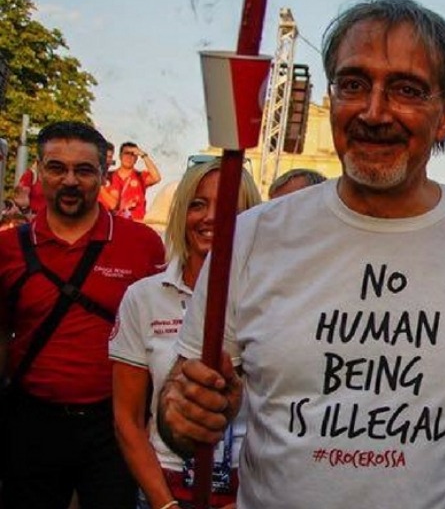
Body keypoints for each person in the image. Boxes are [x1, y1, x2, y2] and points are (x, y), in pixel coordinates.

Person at [158, 0, 445, 509]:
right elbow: (180, 405)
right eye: (353, 84)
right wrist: (185, 412)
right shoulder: (251, 238)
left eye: (406, 89)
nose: (374, 112)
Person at [0, 121, 165, 509]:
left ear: (103, 175)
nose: (70, 180)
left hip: (114, 427)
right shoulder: (7, 248)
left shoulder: (142, 244)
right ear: (40, 171)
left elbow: (160, 335)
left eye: (84, 170)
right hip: (31, 422)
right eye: (57, 168)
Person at [109, 159, 260, 509]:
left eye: (229, 207)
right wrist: (165, 504)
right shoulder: (144, 297)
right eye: (197, 204)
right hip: (165, 486)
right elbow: (127, 419)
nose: (211, 217)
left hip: (252, 490)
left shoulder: (272, 300)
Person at [110, 141, 161, 220]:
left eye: (133, 154)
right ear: (120, 156)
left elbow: (157, 178)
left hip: (136, 222)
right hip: (114, 222)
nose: (129, 157)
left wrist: (143, 155)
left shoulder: (141, 176)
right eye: (126, 153)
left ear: (136, 158)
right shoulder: (109, 176)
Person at [98, 141, 118, 211]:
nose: (107, 160)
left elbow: (113, 205)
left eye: (110, 157)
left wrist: (100, 186)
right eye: (104, 156)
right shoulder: (89, 174)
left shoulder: (114, 177)